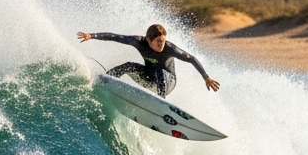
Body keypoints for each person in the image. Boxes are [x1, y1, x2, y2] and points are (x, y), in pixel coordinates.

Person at [77, 23, 221, 96]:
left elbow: (191, 58)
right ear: (148, 39)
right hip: (149, 78)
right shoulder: (139, 42)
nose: (161, 45)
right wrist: (92, 35)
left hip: (168, 81)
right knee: (129, 65)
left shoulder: (170, 48)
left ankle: (160, 103)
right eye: (158, 41)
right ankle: (105, 81)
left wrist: (206, 77)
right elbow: (116, 37)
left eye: (163, 41)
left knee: (160, 71)